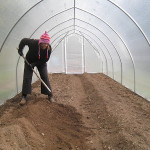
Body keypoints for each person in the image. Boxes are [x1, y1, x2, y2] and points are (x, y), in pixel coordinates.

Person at [18, 31, 53, 105]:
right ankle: (24, 97)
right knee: (27, 77)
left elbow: (45, 60)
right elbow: (24, 40)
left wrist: (35, 64)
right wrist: (20, 50)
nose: (45, 45)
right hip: (29, 61)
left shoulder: (48, 49)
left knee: (44, 76)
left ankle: (49, 95)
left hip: (41, 63)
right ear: (41, 42)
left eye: (47, 43)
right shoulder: (33, 43)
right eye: (44, 43)